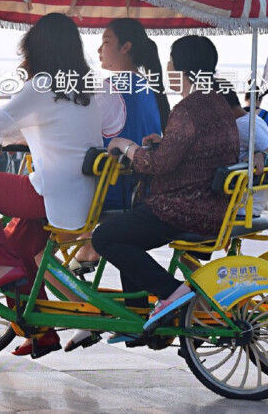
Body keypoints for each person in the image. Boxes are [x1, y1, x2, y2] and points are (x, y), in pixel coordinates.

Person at [0, 13, 125, 357]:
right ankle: (39, 331)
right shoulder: (82, 88)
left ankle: (0, 265)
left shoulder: (42, 85)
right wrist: (7, 139)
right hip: (79, 194)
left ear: (38, 49)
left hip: (52, 192)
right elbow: (46, 127)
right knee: (17, 246)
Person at [93, 35, 238, 334]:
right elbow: (199, 150)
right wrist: (165, 142)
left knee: (104, 237)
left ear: (181, 67)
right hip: (213, 205)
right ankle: (139, 315)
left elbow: (157, 166)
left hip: (182, 208)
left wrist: (126, 145)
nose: (168, 66)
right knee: (127, 234)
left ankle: (173, 293)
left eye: (171, 61)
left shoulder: (187, 109)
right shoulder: (219, 104)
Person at [70, 18, 169, 268]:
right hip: (137, 189)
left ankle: (87, 246)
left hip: (108, 192)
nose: (99, 49)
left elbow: (76, 134)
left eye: (106, 41)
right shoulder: (149, 87)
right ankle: (86, 244)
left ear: (126, 47)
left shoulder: (109, 87)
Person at [222, 84, 268, 215]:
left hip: (240, 206)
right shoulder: (255, 118)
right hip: (250, 202)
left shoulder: (243, 125)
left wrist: (261, 155)